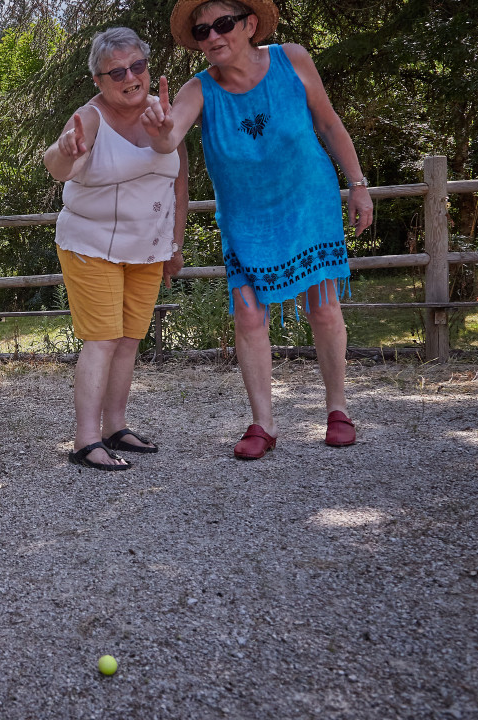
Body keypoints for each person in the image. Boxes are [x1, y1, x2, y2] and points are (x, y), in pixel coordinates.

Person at [151, 0, 373, 459]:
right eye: (202, 31)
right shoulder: (198, 89)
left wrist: (358, 184)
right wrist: (158, 127)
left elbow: (329, 123)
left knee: (323, 308)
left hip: (308, 203)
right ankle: (263, 424)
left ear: (249, 25)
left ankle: (338, 410)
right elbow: (169, 138)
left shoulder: (292, 59)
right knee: (249, 315)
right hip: (246, 217)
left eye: (223, 24)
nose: (212, 36)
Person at [43, 27, 189, 472]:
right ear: (99, 81)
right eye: (117, 71)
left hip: (147, 249)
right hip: (93, 245)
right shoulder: (88, 118)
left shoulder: (160, 113)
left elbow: (179, 183)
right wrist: (65, 151)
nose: (131, 76)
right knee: (102, 340)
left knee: (128, 341)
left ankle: (116, 427)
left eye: (138, 66)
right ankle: (85, 440)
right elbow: (57, 165)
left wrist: (174, 244)